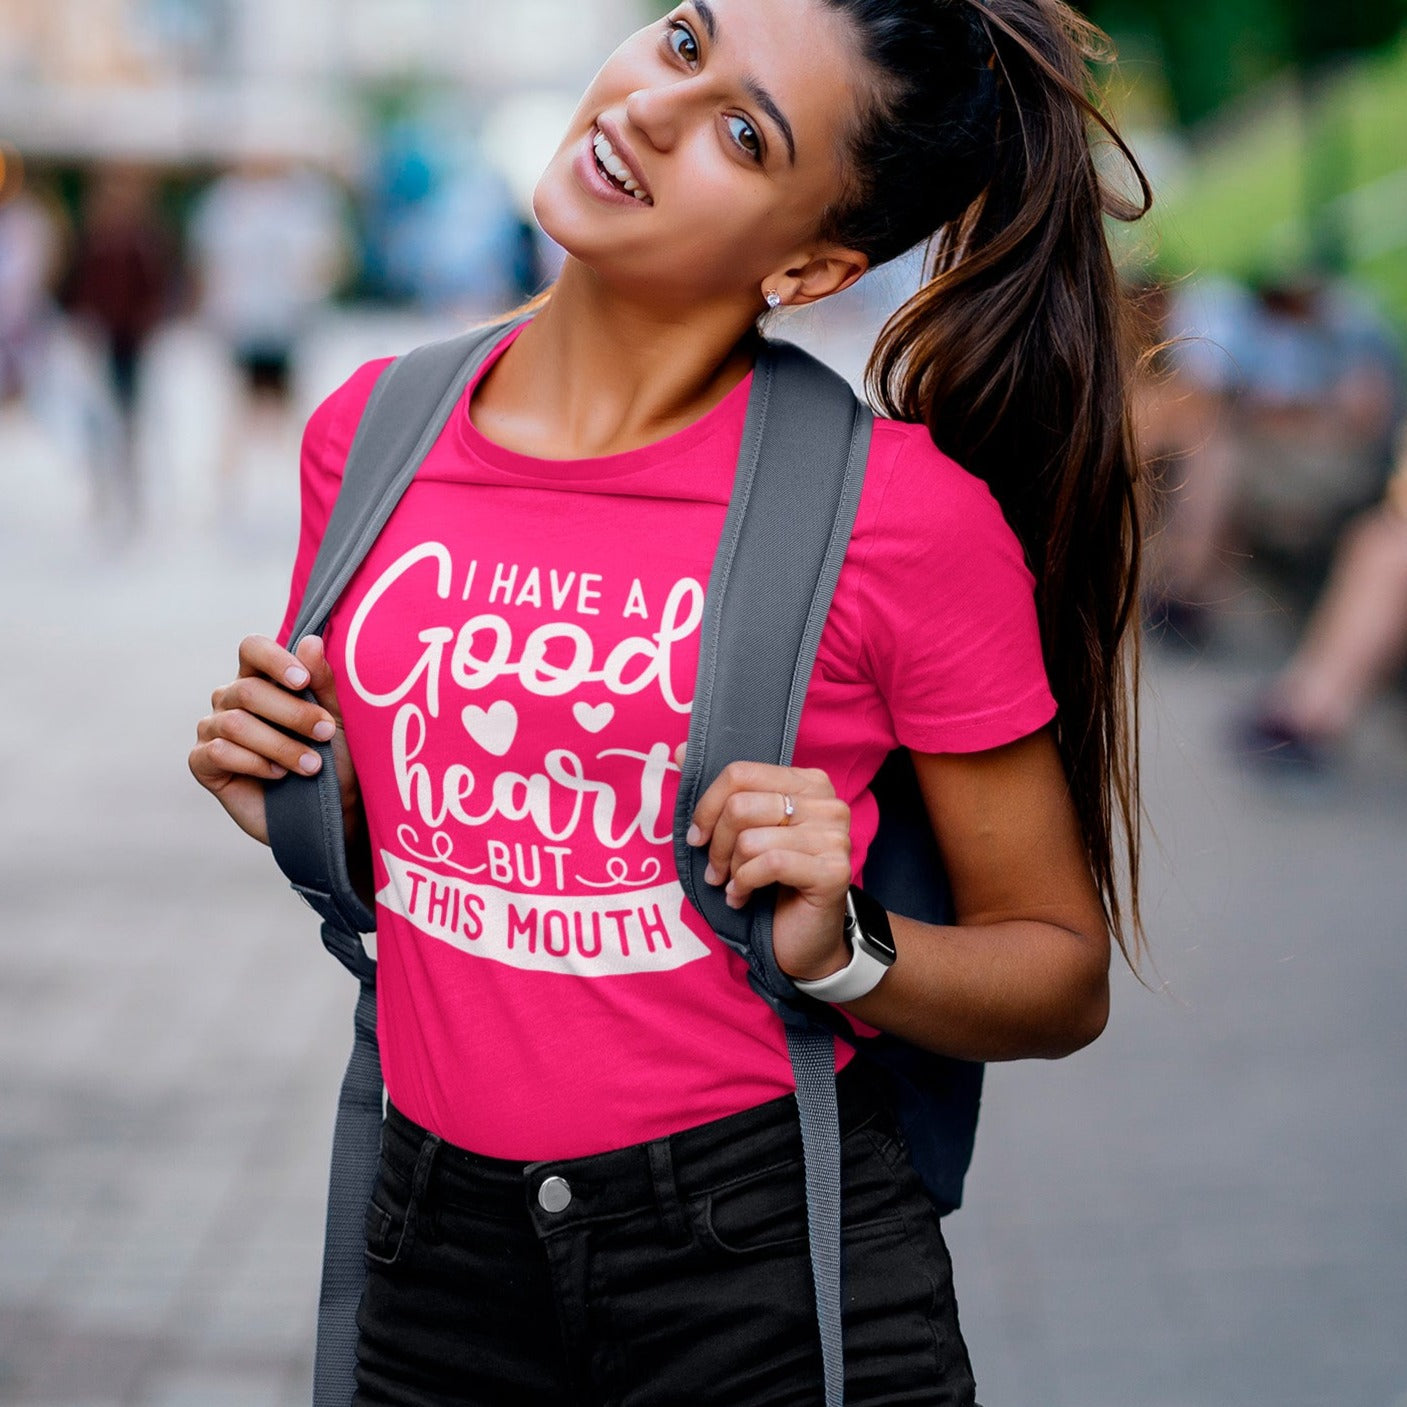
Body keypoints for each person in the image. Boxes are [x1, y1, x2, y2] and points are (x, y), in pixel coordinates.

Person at [189, 1, 1148, 1401]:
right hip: (431, 1254)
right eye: (686, 42)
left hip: (758, 1270)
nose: (650, 108)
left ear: (811, 266)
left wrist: (849, 948)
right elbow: (441, 862)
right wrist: (309, 802)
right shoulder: (371, 437)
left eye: (744, 135)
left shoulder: (897, 517)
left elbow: (1060, 972)